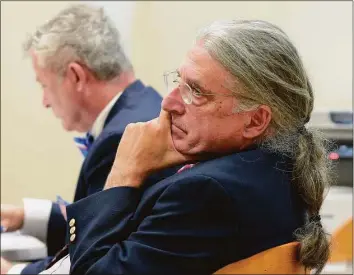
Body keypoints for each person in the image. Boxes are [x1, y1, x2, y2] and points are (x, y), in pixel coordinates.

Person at [35, 19, 334, 274]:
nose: (169, 103)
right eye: (179, 82)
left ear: (256, 120)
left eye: (196, 92)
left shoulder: (208, 191)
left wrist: (124, 173)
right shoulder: (277, 169)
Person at [0, 4, 177, 274]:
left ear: (76, 76)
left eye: (44, 86)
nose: (45, 101)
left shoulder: (119, 139)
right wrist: (24, 217)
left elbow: (91, 252)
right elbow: (95, 224)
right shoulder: (142, 106)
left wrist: (10, 271)